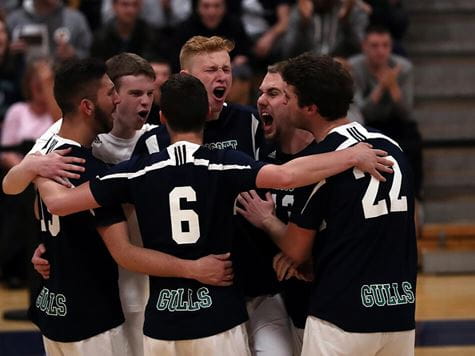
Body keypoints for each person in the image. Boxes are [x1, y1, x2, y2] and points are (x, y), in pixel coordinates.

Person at [35, 72, 393, 356]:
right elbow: (288, 175)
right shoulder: (223, 163)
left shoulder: (134, 171)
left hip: (162, 324)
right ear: (206, 114)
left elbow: (59, 204)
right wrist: (349, 156)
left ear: (161, 119)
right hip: (218, 317)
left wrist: (33, 166)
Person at [256, 53, 417, 355]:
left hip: (342, 316)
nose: (284, 104)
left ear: (310, 108)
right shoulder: (392, 146)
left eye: (288, 96)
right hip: (399, 310)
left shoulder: (319, 162)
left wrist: (267, 220)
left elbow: (295, 248)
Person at [236, 60, 316, 356]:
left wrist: (309, 261)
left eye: (272, 93)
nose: (260, 100)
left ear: (295, 100)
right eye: (260, 93)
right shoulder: (259, 162)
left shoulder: (327, 156)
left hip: (327, 306)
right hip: (276, 299)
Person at [348, 25, 423, 200]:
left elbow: (407, 113)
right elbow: (359, 112)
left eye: (385, 45)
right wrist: (381, 88)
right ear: (364, 46)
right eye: (374, 46)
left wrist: (393, 86)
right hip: (368, 126)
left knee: (413, 137)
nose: (380, 51)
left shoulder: (403, 67)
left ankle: (415, 195)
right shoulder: (355, 67)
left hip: (396, 123)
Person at [7, 0, 92, 62]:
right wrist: (9, 53)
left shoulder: (76, 19)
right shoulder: (14, 20)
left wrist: (74, 55)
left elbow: (90, 56)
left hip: (66, 83)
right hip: (23, 82)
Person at [282, 0, 370, 58]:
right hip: (307, 68)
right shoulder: (300, 10)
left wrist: (346, 22)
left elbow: (360, 49)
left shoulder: (352, 10)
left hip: (341, 66)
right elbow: (287, 51)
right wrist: (303, 23)